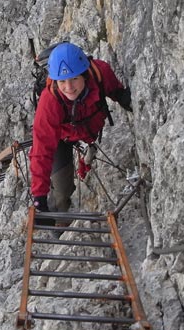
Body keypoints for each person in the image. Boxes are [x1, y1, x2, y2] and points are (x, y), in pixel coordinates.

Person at [29, 42, 132, 217]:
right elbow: (41, 149)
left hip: (90, 130)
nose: (68, 87)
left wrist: (123, 97)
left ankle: (85, 160)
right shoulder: (50, 102)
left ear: (84, 75)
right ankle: (59, 223)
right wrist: (39, 195)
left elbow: (115, 90)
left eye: (74, 78)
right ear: (55, 80)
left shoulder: (100, 73)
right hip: (62, 138)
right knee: (62, 191)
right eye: (62, 81)